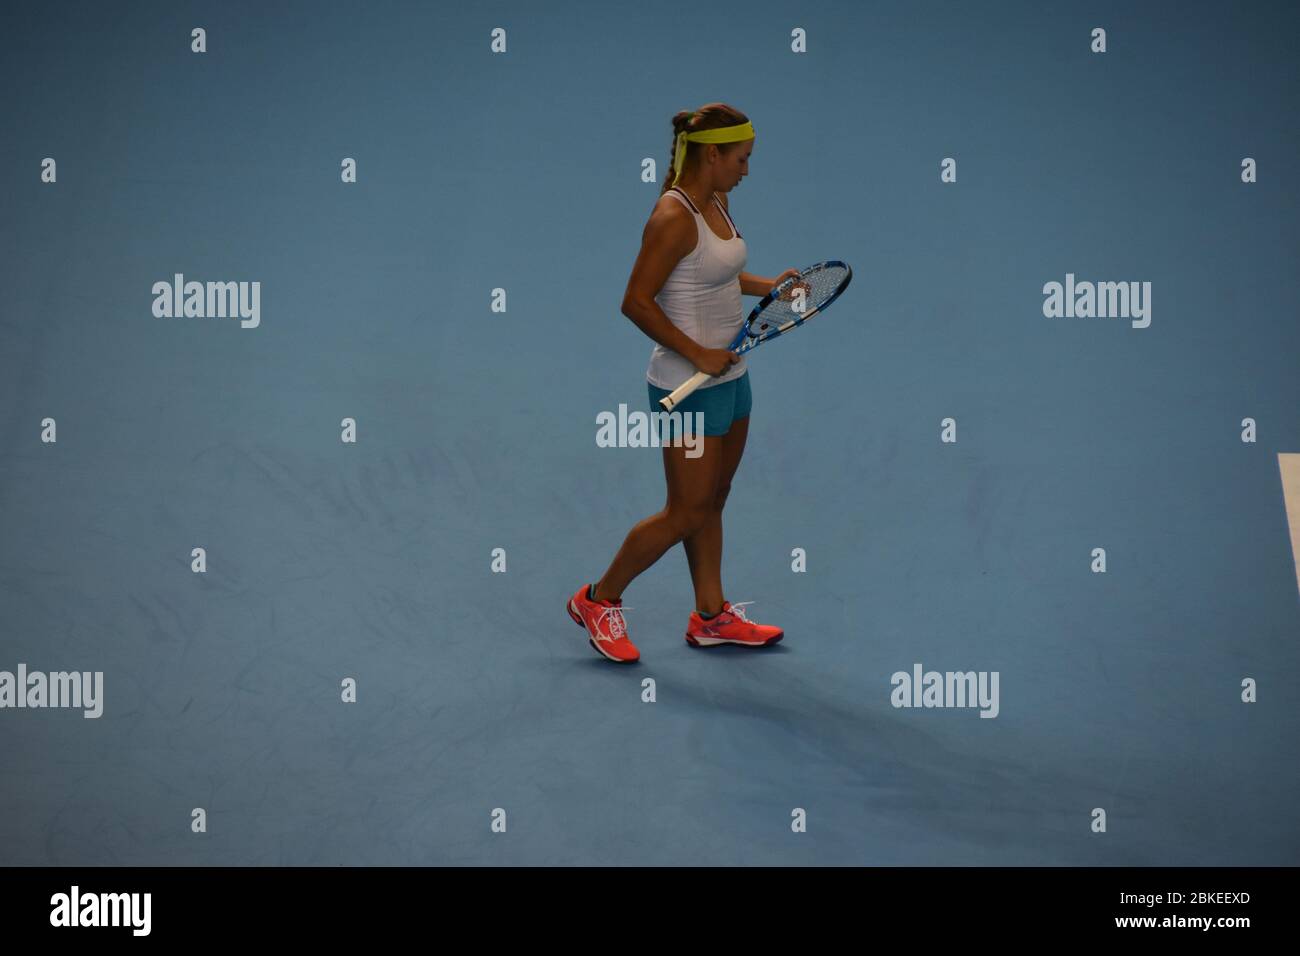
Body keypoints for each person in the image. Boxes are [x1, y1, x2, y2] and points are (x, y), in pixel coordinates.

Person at [567, 103, 798, 663]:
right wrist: (697, 353)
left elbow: (711, 273)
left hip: (731, 378)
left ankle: (711, 616)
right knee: (685, 511)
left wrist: (769, 285)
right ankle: (598, 598)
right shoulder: (672, 217)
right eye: (741, 158)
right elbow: (634, 302)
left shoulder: (716, 198)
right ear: (712, 154)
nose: (747, 169)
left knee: (714, 499)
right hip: (686, 386)